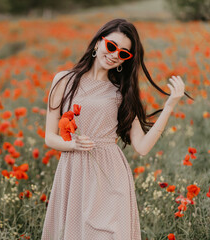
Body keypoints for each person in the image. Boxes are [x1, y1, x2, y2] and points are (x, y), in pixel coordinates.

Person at [41, 18, 193, 240]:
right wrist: (72, 144)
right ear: (97, 44)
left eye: (123, 53)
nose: (114, 54)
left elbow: (141, 147)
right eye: (111, 46)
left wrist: (169, 107)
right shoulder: (63, 80)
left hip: (110, 176)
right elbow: (49, 138)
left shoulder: (120, 93)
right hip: (73, 172)